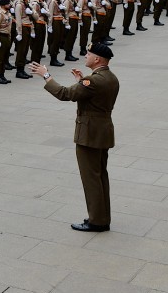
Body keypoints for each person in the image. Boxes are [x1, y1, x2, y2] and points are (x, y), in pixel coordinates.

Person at [29, 43, 119, 232]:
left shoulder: (93, 81)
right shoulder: (109, 77)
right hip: (102, 131)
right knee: (100, 176)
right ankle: (102, 217)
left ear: (97, 59)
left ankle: (97, 221)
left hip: (89, 134)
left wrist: (46, 75)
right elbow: (91, 97)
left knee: (91, 178)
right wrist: (81, 80)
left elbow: (65, 94)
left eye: (89, 54)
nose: (86, 56)